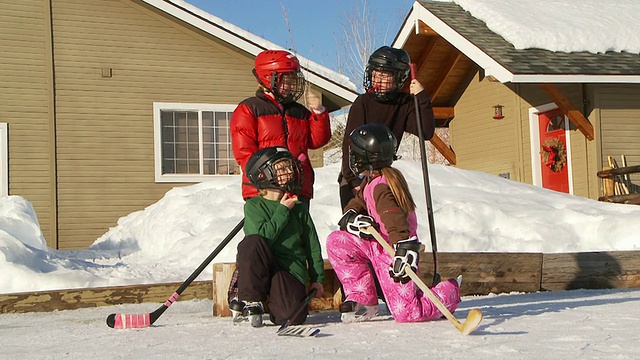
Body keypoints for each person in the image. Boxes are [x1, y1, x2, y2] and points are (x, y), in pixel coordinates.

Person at [326, 124, 460, 323]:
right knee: (337, 242)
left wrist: (403, 248)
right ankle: (363, 299)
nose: (352, 159)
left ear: (364, 156)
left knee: (406, 313)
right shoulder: (371, 180)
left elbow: (395, 219)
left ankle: (449, 290)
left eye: (354, 154)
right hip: (376, 243)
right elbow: (358, 202)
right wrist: (351, 215)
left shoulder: (382, 187)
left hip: (394, 250)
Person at [229, 147, 324, 327]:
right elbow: (262, 239)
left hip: (289, 271)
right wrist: (282, 211)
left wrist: (317, 279)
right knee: (251, 242)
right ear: (263, 175)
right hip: (261, 267)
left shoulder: (299, 208)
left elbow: (312, 245)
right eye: (282, 169)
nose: (289, 172)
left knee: (291, 317)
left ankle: (277, 301)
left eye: (289, 168)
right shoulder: (254, 206)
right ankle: (251, 301)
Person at [339, 46, 436, 210]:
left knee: (386, 225)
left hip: (383, 175)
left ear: (398, 77)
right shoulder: (363, 102)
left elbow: (426, 131)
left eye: (384, 75)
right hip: (356, 174)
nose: (378, 80)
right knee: (357, 230)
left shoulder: (405, 104)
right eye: (375, 74)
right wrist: (354, 182)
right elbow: (349, 144)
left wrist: (422, 97)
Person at [231, 49, 331, 209]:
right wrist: (269, 178)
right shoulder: (249, 109)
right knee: (269, 232)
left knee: (300, 234)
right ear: (268, 77)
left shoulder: (298, 111)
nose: (290, 86)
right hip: (265, 190)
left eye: (293, 81)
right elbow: (244, 153)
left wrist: (318, 113)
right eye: (286, 81)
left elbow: (317, 140)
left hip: (298, 187)